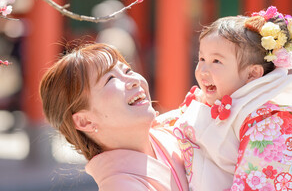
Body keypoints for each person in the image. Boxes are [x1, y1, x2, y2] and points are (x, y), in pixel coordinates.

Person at [160, 6, 292, 190]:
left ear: (252, 74)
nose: (203, 70)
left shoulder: (272, 118)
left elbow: (267, 181)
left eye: (216, 61)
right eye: (201, 59)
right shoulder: (211, 100)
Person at [39, 43, 189, 191]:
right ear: (85, 121)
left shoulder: (177, 128)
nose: (135, 81)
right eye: (110, 78)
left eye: (128, 71)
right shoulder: (119, 186)